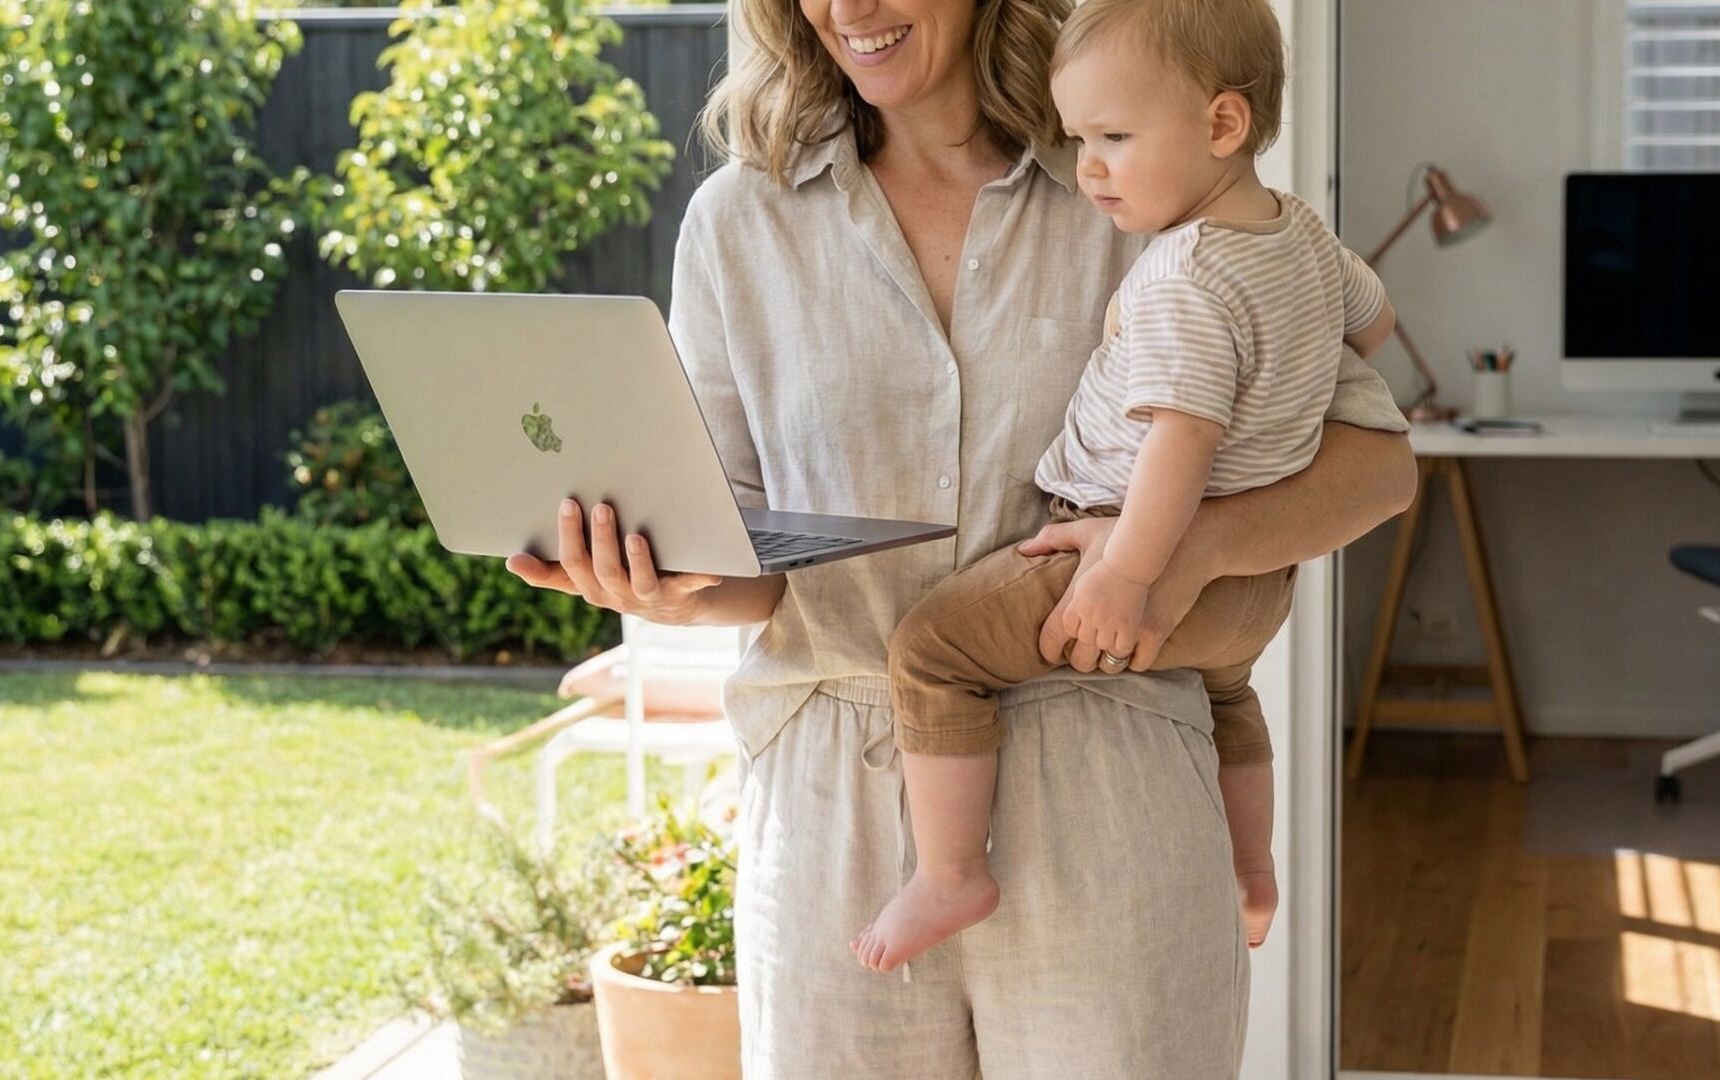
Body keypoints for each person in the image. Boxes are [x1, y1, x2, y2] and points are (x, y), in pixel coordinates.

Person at [505, 0, 1416, 1072]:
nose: (850, 10)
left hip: (1107, 766)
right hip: (832, 809)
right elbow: (748, 566)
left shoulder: (1133, 173)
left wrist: (1189, 551)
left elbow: (1380, 465)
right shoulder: (739, 222)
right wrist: (662, 586)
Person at [852, 0, 1398, 977]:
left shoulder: (1182, 274)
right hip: (1257, 589)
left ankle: (948, 872)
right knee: (1229, 699)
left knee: (931, 648)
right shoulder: (1305, 236)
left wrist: (1124, 575)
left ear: (1222, 126)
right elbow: (1376, 324)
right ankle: (1251, 871)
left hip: (1127, 557)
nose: (1089, 167)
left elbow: (1181, 442)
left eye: (1112, 138)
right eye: (1077, 140)